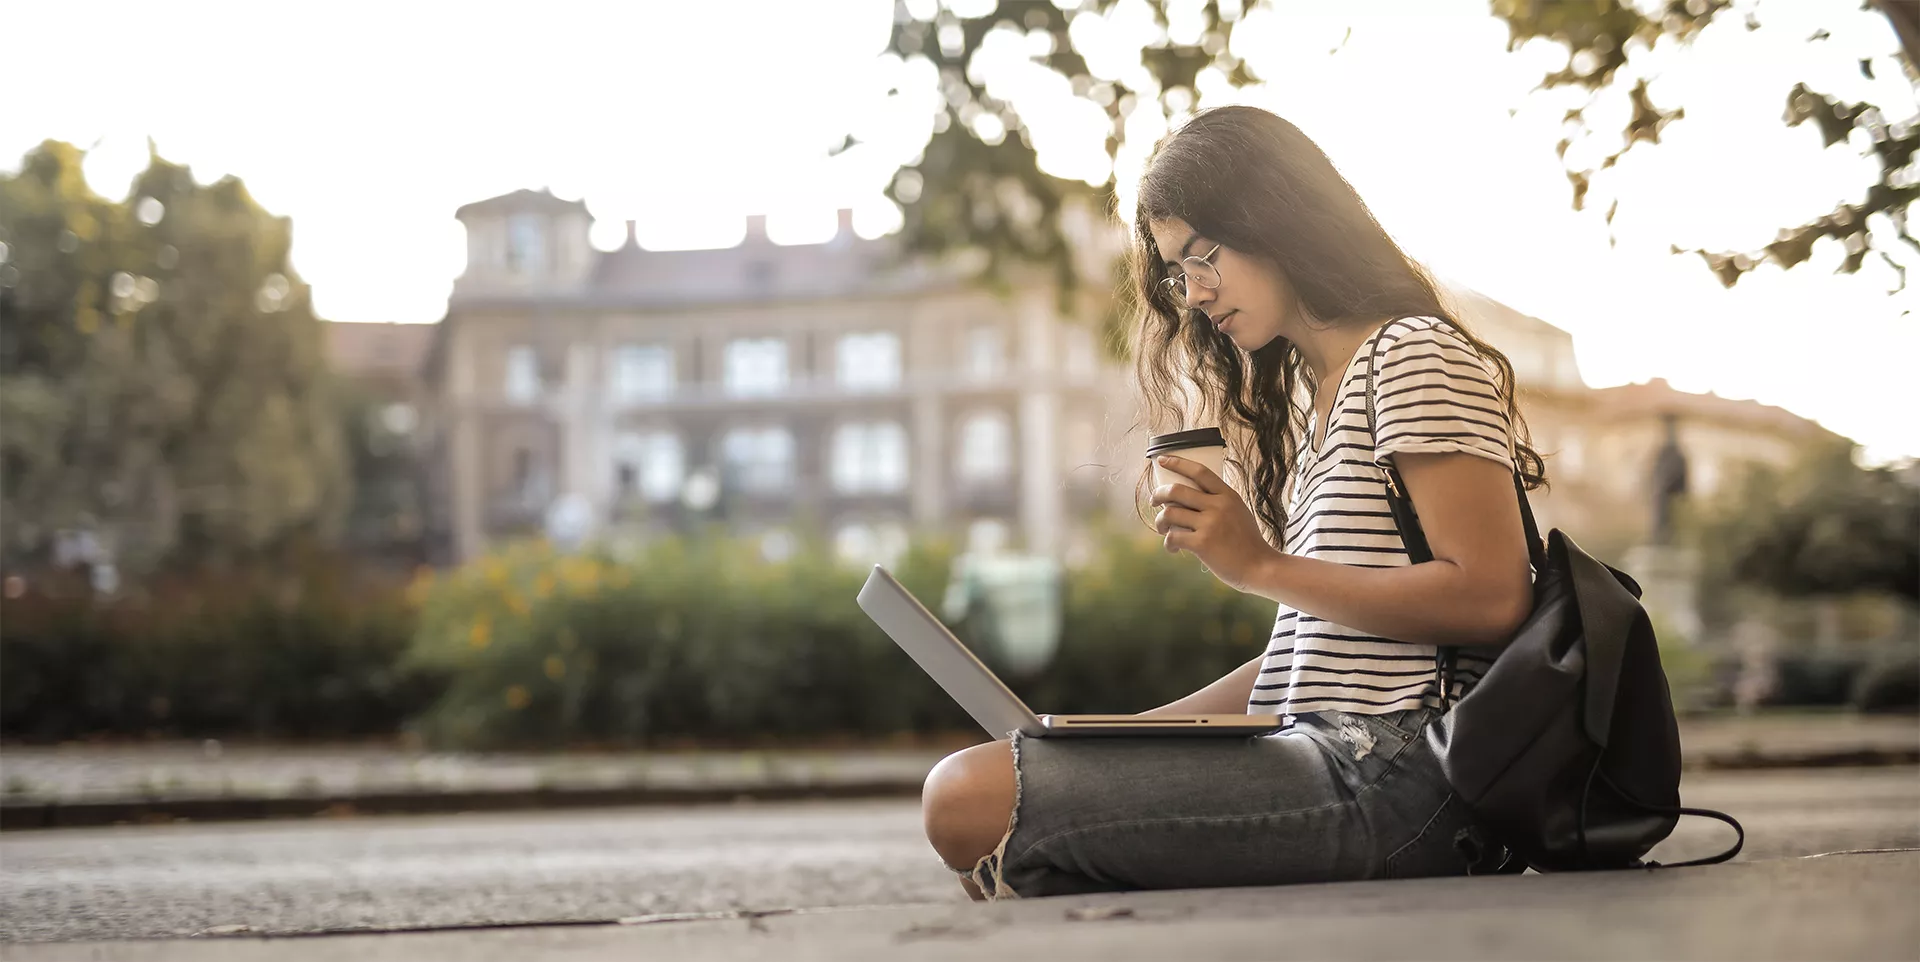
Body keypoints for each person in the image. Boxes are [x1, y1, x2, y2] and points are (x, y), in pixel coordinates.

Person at [920, 105, 1548, 900]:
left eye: (1202, 256)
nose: (1194, 293)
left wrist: (1258, 564)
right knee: (993, 799)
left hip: (1404, 777)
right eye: (1177, 273)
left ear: (1277, 217)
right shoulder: (1323, 399)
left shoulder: (1413, 352)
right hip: (1329, 752)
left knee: (965, 798)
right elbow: (1310, 652)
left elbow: (1492, 596)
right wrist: (1115, 741)